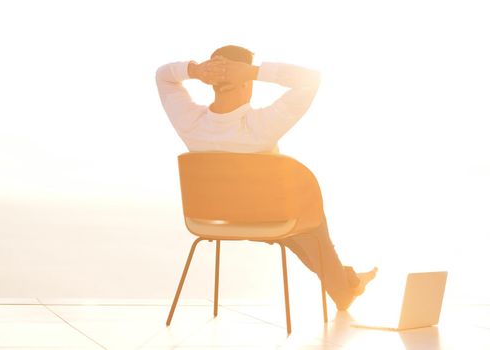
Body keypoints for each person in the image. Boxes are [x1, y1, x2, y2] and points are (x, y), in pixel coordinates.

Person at [156, 45, 376, 310]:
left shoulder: (190, 123)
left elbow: (163, 76)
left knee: (298, 237)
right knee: (309, 228)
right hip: (267, 219)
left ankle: (348, 281)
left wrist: (195, 70)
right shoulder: (260, 127)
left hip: (215, 220)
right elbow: (311, 80)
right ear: (246, 82)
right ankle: (345, 289)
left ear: (211, 81)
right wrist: (255, 71)